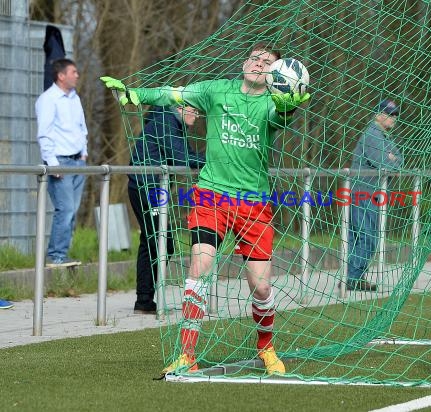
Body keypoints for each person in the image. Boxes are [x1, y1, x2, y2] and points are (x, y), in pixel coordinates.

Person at [101, 43, 310, 376]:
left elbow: (281, 117)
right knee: (198, 270)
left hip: (253, 204)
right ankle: (187, 354)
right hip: (211, 197)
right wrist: (135, 94)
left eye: (267, 62)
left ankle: (266, 346)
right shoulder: (216, 91)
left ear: (275, 75)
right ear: (244, 62)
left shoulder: (271, 104)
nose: (258, 64)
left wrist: (290, 104)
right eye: (254, 57)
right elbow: (173, 94)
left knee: (262, 287)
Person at [129, 105, 205, 314]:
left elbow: (186, 153)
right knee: (163, 242)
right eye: (194, 110)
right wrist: (216, 161)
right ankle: (144, 299)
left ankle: (144, 301)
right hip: (146, 186)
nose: (197, 116)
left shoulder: (173, 124)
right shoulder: (165, 120)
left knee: (152, 241)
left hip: (152, 187)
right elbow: (182, 157)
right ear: (180, 107)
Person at [344, 99, 402, 291]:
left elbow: (399, 161)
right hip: (363, 193)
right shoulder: (373, 135)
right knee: (366, 237)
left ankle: (353, 277)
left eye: (395, 114)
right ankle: (353, 278)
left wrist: (392, 159)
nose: (393, 118)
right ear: (378, 114)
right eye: (389, 113)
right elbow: (385, 164)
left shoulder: (385, 137)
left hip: (371, 194)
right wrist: (391, 159)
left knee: (363, 236)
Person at [36, 58, 88, 268]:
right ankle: (56, 256)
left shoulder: (75, 98)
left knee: (72, 211)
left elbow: (81, 128)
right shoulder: (48, 100)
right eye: (73, 72)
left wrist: (84, 154)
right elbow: (45, 134)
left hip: (78, 161)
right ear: (61, 75)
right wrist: (52, 163)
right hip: (60, 162)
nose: (77, 75)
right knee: (64, 210)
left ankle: (63, 254)